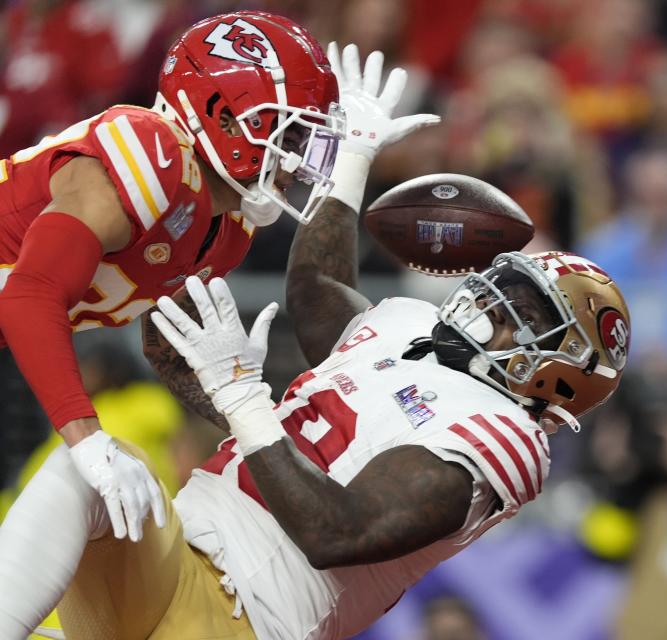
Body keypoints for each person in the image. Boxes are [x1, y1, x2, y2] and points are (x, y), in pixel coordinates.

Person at [0, 57, 631, 634]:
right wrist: (353, 158)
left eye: (525, 313)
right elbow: (318, 284)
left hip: (243, 615)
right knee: (93, 469)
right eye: (505, 287)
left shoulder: (506, 436)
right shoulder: (412, 330)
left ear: (561, 370)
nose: (494, 301)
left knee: (95, 475)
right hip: (177, 552)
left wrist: (244, 396)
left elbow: (337, 530)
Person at [0, 10, 434, 544]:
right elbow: (29, 292)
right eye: (291, 131)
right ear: (223, 118)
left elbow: (166, 346)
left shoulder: (227, 228)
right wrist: (87, 439)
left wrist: (238, 397)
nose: (299, 159)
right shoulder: (148, 153)